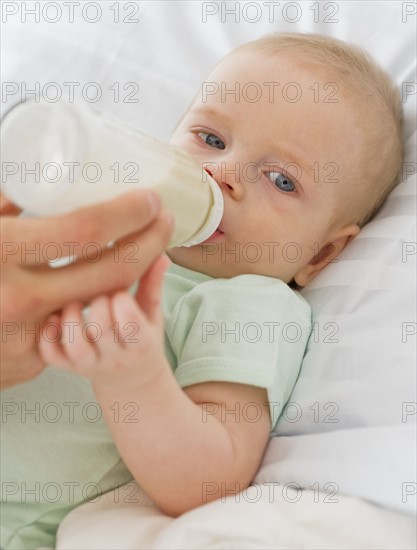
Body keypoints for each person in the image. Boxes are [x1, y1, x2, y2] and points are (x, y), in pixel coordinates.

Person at [1, 32, 403, 550]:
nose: (224, 173)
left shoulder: (245, 300)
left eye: (281, 180)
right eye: (211, 140)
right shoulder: (89, 210)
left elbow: (212, 477)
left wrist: (134, 379)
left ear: (320, 255)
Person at [0, 189, 174, 389]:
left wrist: (142, 379)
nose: (219, 173)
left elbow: (210, 418)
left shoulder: (210, 297)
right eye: (213, 154)